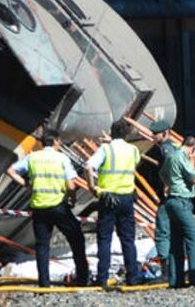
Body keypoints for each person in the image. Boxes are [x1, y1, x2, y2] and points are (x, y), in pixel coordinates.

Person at [6, 130, 89, 287]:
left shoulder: (33, 157)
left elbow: (10, 170)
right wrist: (72, 197)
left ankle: (44, 284)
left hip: (39, 207)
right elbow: (71, 184)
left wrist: (27, 185)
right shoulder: (62, 158)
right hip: (58, 206)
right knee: (76, 238)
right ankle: (83, 278)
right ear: (56, 142)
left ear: (42, 143)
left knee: (42, 246)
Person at [85, 120, 142, 286]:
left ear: (111, 132)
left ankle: (102, 279)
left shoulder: (105, 149)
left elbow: (89, 166)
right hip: (127, 198)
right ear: (126, 134)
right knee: (128, 240)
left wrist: (92, 187)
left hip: (108, 198)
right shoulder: (133, 150)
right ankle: (133, 278)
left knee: (104, 239)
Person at [159, 135, 195, 288]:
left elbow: (163, 174)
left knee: (176, 241)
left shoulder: (171, 155)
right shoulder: (182, 156)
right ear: (193, 147)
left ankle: (176, 280)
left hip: (172, 200)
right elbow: (192, 177)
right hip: (181, 201)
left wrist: (171, 184)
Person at [150, 120, 178, 276]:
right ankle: (174, 269)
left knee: (162, 231)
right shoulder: (173, 147)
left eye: (156, 134)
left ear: (165, 133)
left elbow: (170, 165)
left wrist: (167, 184)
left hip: (168, 198)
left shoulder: (166, 149)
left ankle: (166, 270)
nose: (153, 136)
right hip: (175, 196)